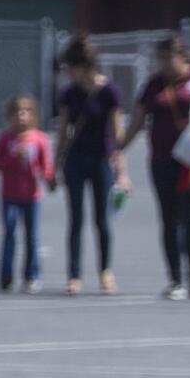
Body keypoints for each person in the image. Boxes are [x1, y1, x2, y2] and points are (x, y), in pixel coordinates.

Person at [122, 34, 190, 300]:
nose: (163, 64)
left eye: (168, 58)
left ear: (182, 56)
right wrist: (119, 147)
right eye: (159, 58)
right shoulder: (154, 84)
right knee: (169, 219)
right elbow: (138, 119)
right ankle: (175, 280)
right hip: (162, 159)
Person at [55, 34, 128, 296]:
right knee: (75, 219)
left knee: (102, 220)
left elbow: (117, 136)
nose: (67, 73)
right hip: (75, 160)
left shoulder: (110, 91)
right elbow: (63, 131)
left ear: (83, 66)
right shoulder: (69, 93)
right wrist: (55, 163)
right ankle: (74, 275)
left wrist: (123, 172)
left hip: (101, 160)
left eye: (70, 68)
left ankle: (105, 272)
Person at [0, 95, 54, 294]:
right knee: (9, 233)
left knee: (32, 236)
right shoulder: (5, 139)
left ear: (33, 116)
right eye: (18, 113)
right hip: (9, 195)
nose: (22, 117)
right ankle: (5, 276)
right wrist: (13, 155)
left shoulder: (39, 139)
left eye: (26, 112)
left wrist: (48, 177)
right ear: (10, 116)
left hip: (32, 196)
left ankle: (32, 275)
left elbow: (46, 168)